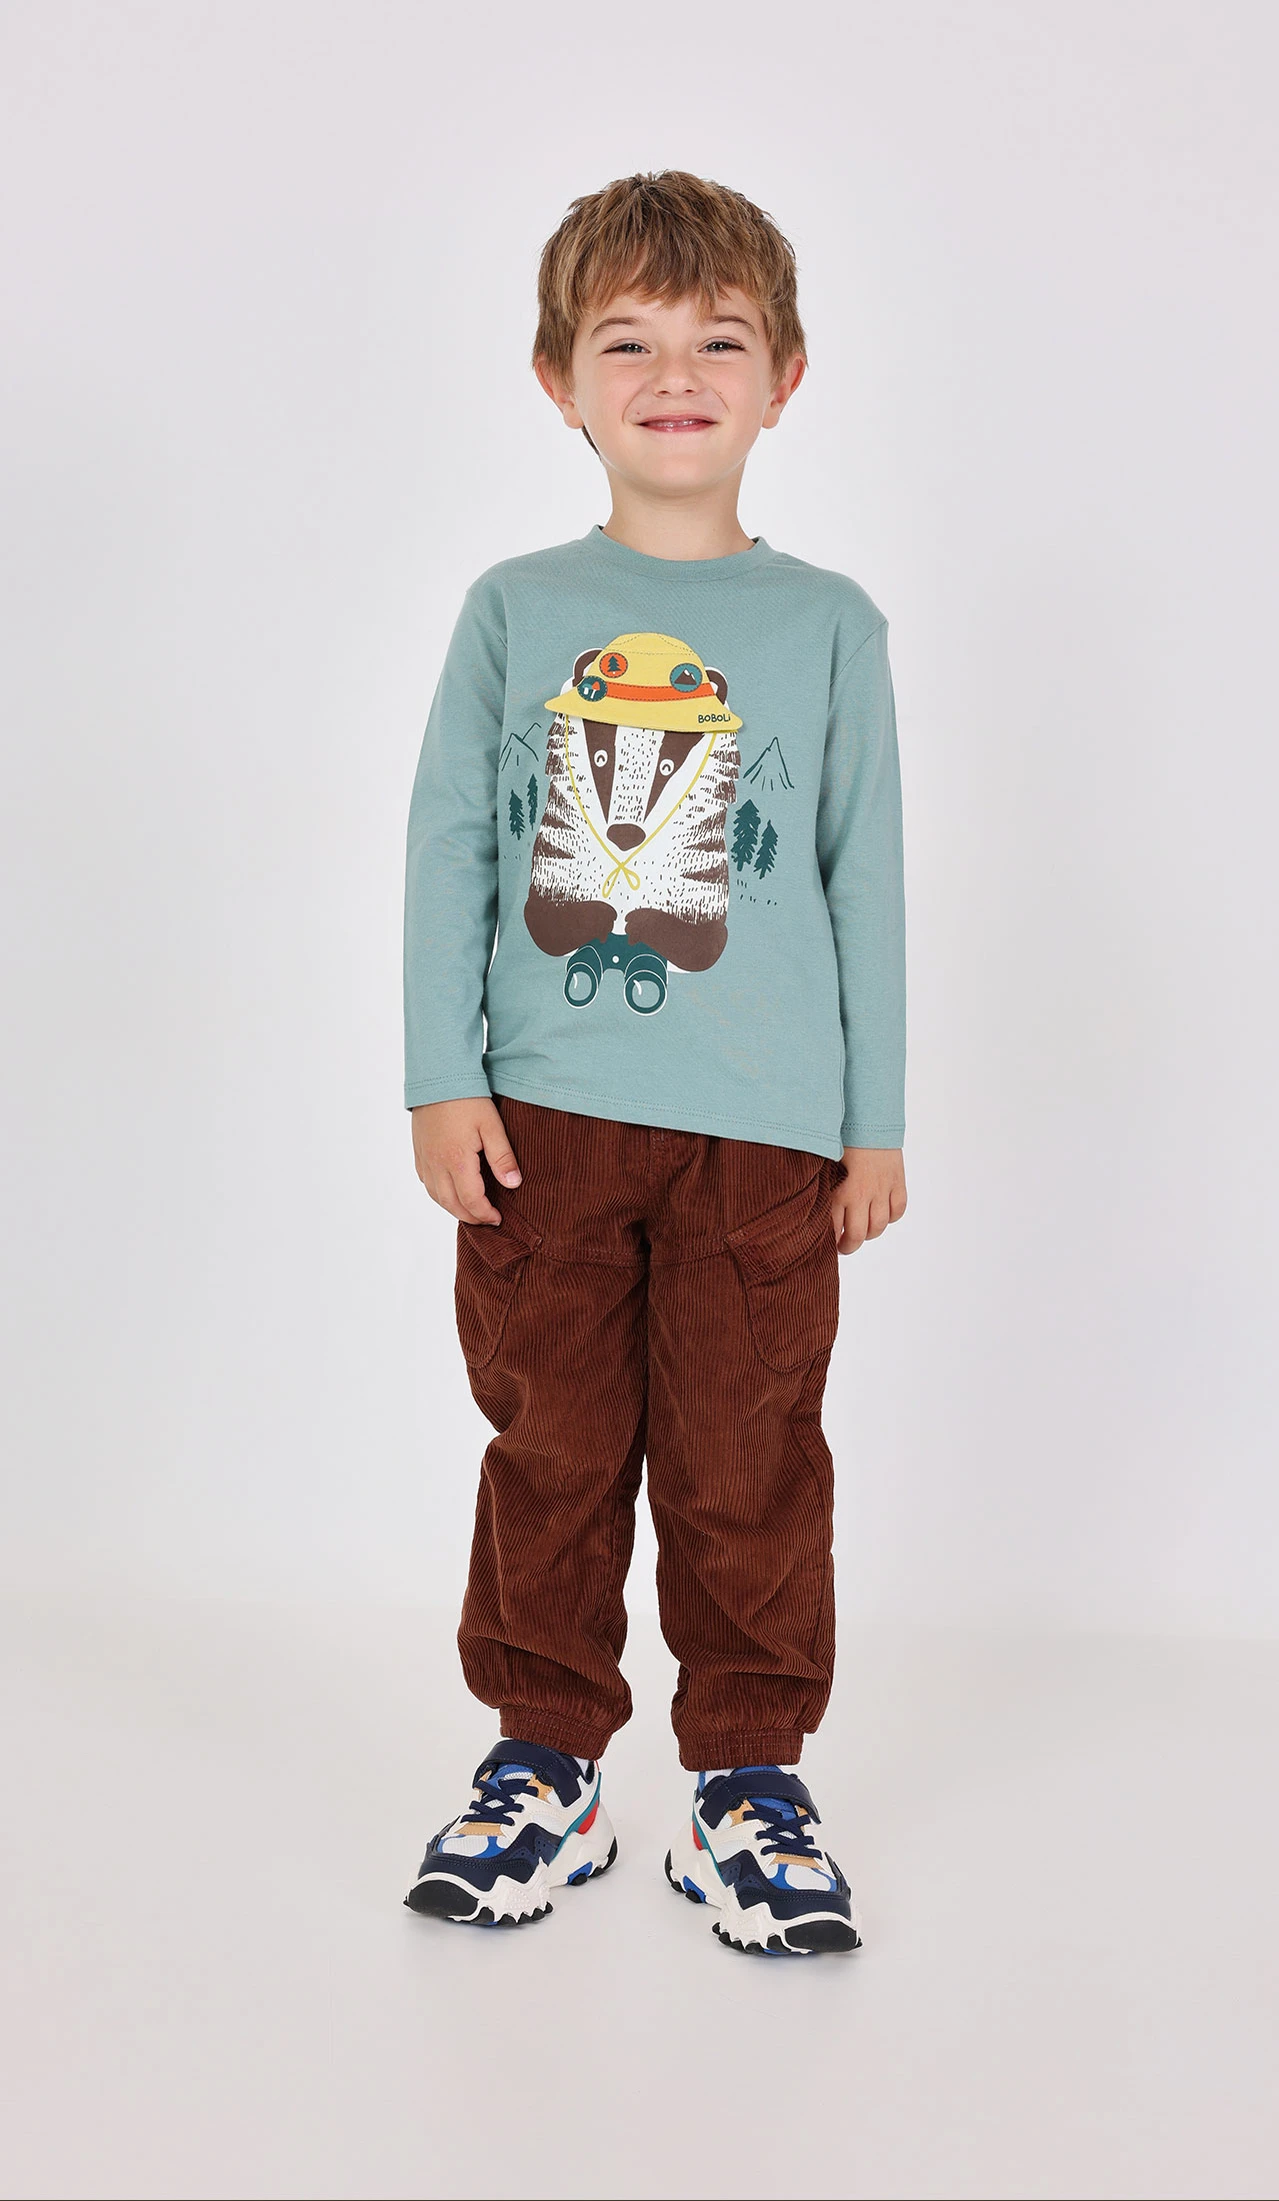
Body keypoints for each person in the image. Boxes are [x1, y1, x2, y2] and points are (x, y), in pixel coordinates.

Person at [401, 169, 906, 1956]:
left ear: (784, 379)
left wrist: (873, 1121)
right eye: (626, 341)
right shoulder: (513, 607)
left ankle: (747, 1783)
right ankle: (543, 1760)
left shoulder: (829, 625)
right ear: (558, 380)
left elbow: (860, 874)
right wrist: (440, 1074)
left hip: (764, 1139)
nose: (673, 375)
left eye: (718, 341)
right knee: (550, 1447)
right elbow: (450, 849)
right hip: (543, 1122)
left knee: (746, 1457)